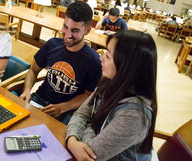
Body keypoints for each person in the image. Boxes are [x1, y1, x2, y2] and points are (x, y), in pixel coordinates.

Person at [66, 30, 158, 161]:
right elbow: (81, 115)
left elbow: (91, 155)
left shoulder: (134, 115)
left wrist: (80, 135)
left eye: (108, 56)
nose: (101, 58)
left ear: (127, 66)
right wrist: (72, 140)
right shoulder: (109, 81)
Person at [20, 1, 102, 124]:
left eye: (75, 30)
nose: (68, 34)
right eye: (65, 27)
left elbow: (88, 95)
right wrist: (27, 90)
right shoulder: (52, 44)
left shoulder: (94, 61)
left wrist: (62, 107)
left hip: (66, 110)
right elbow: (33, 70)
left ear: (87, 30)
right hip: (40, 99)